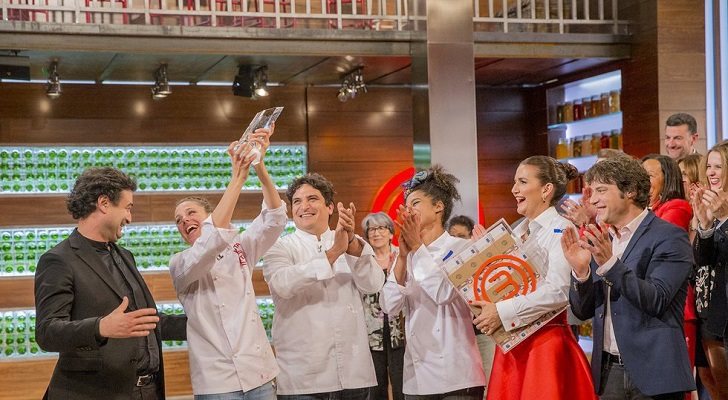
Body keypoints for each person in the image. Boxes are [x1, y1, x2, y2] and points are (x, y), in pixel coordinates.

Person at [34, 167, 187, 400]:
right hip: (95, 393)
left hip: (148, 391)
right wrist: (100, 327)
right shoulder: (58, 260)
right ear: (104, 203)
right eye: (128, 207)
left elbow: (142, 321)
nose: (130, 218)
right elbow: (47, 332)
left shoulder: (125, 255)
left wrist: (202, 323)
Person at [564, 156, 695, 399]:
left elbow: (656, 299)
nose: (593, 200)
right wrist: (581, 273)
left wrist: (609, 264)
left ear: (631, 190)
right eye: (592, 191)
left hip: (654, 375)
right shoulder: (604, 239)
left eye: (602, 190)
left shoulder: (669, 237)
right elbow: (583, 312)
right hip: (608, 373)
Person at [169, 130, 286, 399]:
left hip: (259, 373)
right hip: (217, 381)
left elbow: (275, 219)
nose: (184, 220)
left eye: (191, 213)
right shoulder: (179, 263)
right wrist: (238, 178)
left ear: (210, 216)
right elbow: (211, 240)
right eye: (178, 220)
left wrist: (259, 165)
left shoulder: (239, 246)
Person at [472, 156, 595, 400]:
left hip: (545, 345)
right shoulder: (516, 232)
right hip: (513, 342)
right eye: (514, 182)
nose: (514, 189)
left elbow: (558, 291)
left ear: (546, 190)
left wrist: (501, 311)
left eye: (522, 182)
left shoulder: (562, 229)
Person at [262, 172, 384, 399]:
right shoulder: (280, 247)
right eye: (297, 201)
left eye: (312, 199)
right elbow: (282, 285)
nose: (304, 206)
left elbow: (373, 284)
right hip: (304, 377)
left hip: (354, 373)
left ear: (330, 207)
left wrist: (351, 244)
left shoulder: (351, 241)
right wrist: (333, 252)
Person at [380, 165, 486, 399]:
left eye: (415, 203)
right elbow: (388, 306)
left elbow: (442, 293)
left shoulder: (462, 248)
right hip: (416, 378)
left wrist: (417, 248)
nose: (408, 211)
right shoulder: (406, 253)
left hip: (457, 375)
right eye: (406, 206)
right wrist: (403, 257)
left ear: (438, 206)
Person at [641, 154, 696, 400]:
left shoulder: (677, 207)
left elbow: (651, 244)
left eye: (650, 176)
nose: (643, 181)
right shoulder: (647, 210)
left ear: (668, 179)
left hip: (677, 309)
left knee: (675, 384)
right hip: (649, 304)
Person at [691, 144, 728, 400]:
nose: (711, 172)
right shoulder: (709, 204)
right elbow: (702, 261)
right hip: (709, 310)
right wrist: (704, 225)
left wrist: (724, 220)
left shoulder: (722, 210)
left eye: (718, 167)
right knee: (715, 384)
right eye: (708, 166)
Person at [361, 212, 405, 400]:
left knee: (401, 381)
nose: (376, 233)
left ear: (390, 232)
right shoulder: (363, 260)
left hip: (400, 329)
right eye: (371, 229)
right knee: (376, 385)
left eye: (381, 228)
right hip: (371, 331)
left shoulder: (401, 256)